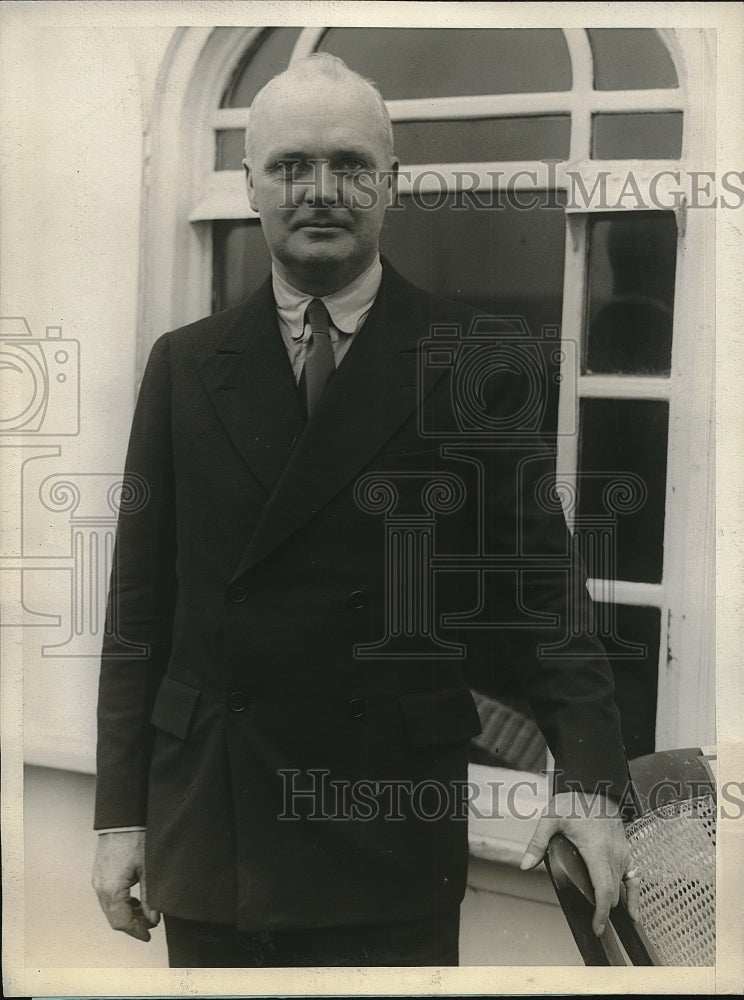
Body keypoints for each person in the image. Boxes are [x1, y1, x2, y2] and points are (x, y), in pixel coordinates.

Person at [92, 53, 639, 968]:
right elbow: (137, 611)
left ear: (393, 184)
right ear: (250, 186)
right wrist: (119, 813)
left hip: (386, 824)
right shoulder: (184, 365)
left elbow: (543, 591)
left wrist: (588, 778)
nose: (321, 191)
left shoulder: (475, 356)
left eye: (351, 166)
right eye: (291, 166)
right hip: (217, 820)